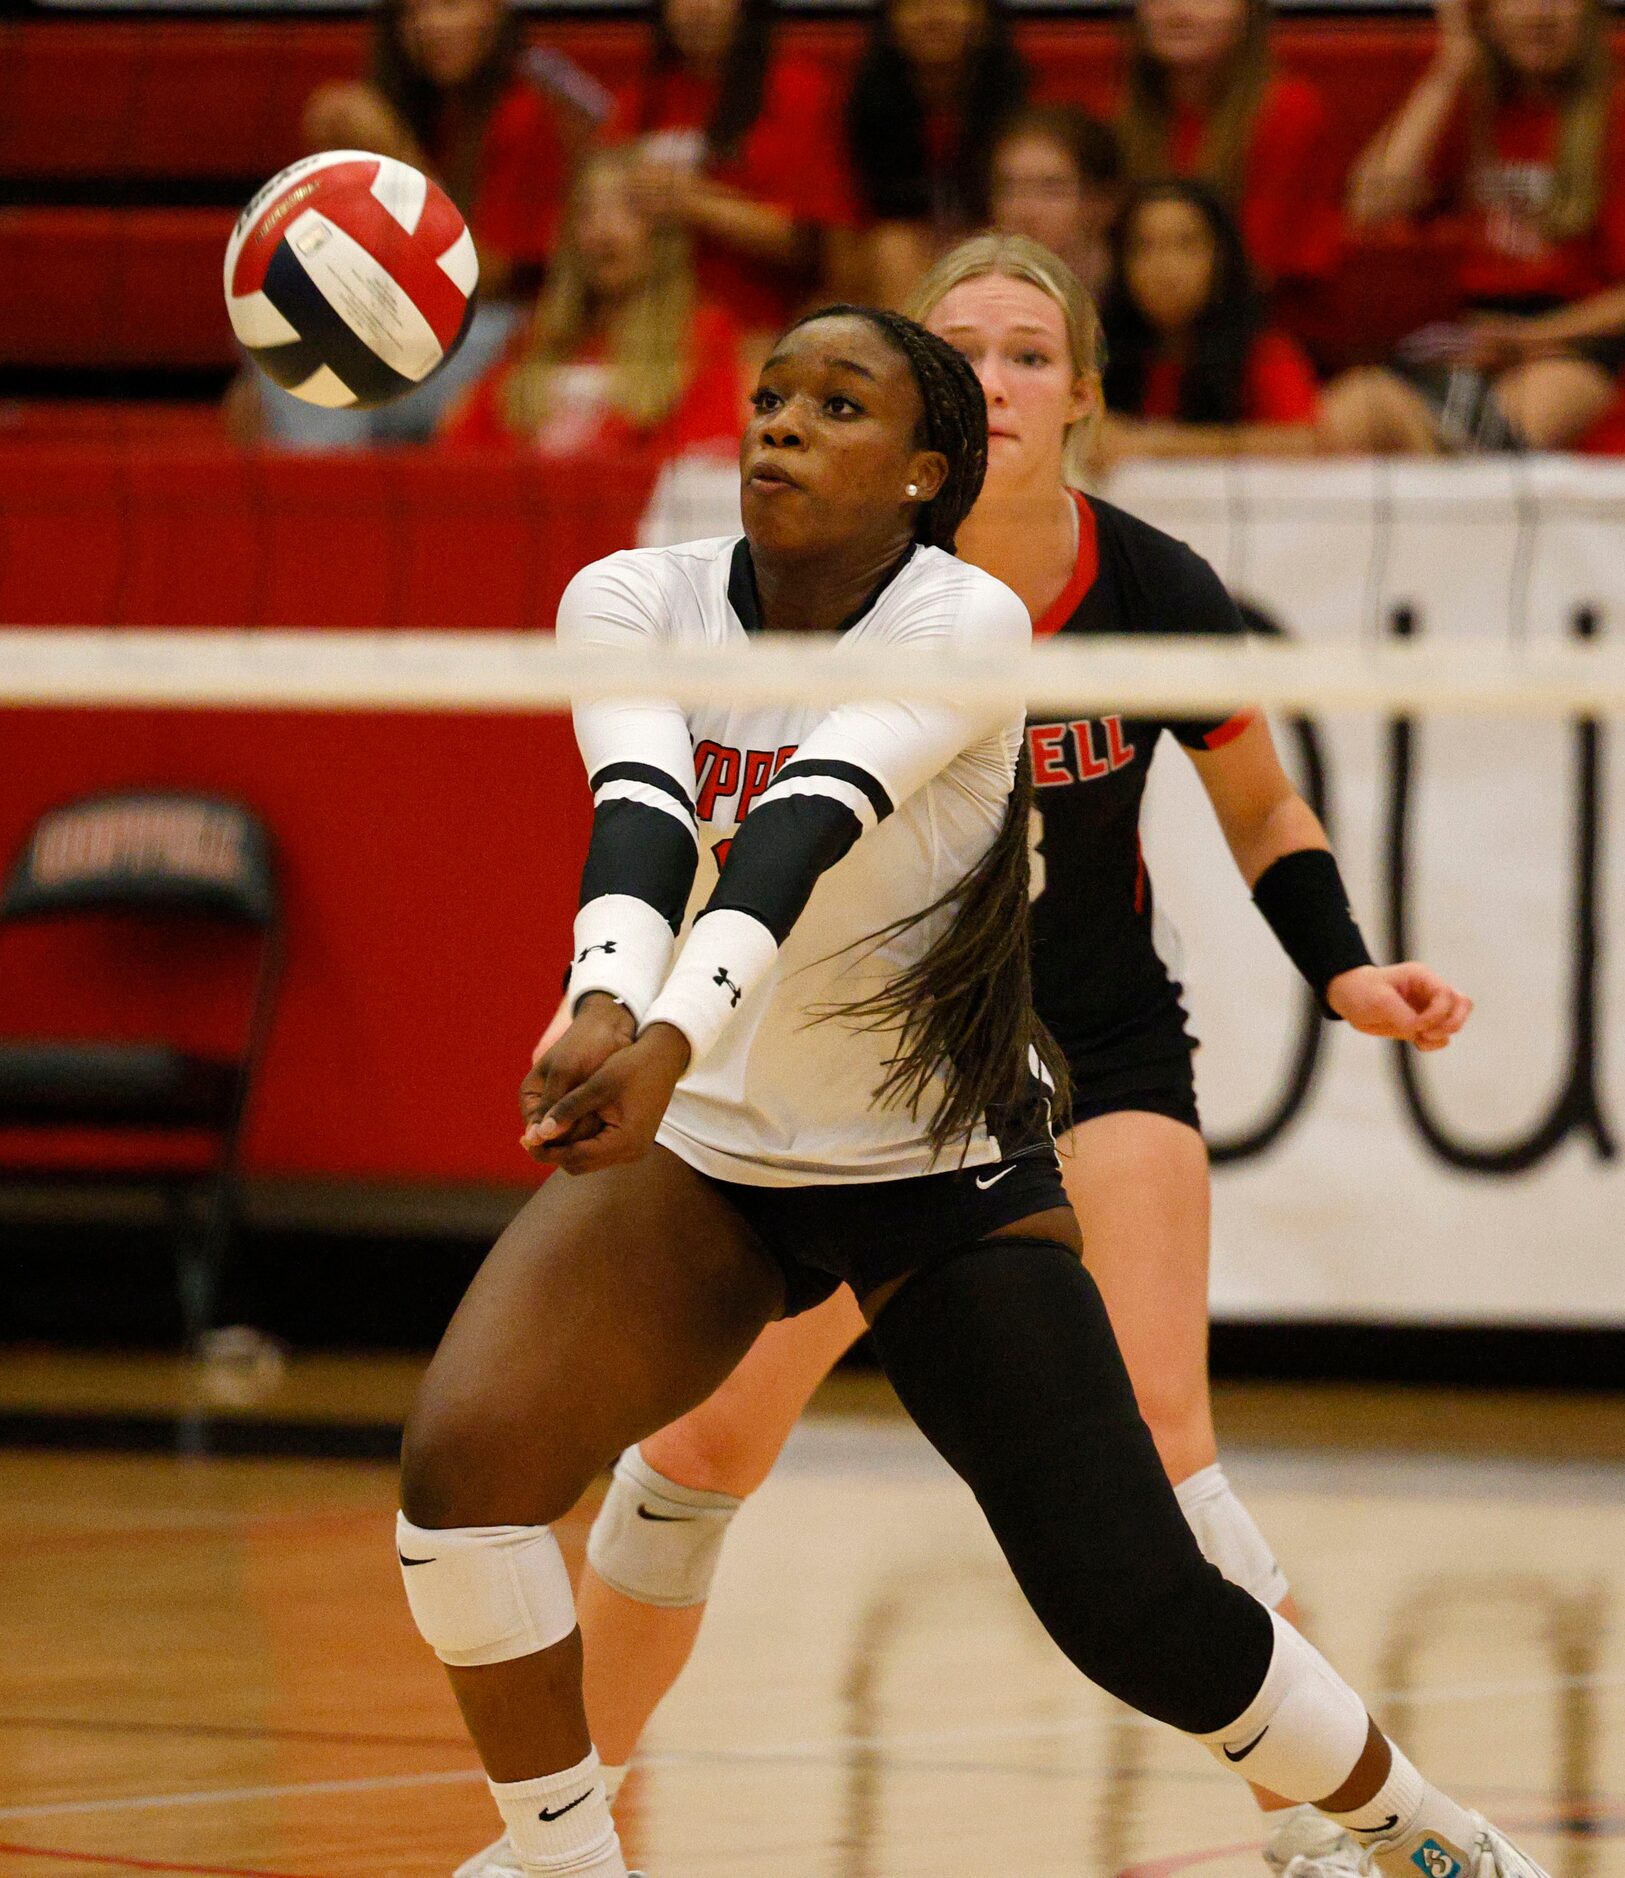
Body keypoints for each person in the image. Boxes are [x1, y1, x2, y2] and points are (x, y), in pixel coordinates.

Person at [404, 296, 1543, 1878]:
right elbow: (644, 813)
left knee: (1134, 1606)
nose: (782, 424)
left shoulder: (967, 625)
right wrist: (605, 997)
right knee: (464, 1475)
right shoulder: (635, 591)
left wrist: (664, 1035)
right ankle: (559, 1854)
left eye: (839, 407)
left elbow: (804, 821)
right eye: (773, 395)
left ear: (928, 471)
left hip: (938, 1160)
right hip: (724, 1153)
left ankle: (1418, 1828)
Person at [238, 0, 607, 448]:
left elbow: (486, 278)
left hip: (517, 336)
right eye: (414, 12)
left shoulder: (527, 108)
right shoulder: (420, 102)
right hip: (417, 326)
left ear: (499, 12)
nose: (433, 24)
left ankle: (332, 504)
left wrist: (395, 151)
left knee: (306, 358)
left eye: (452, 6)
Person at [1324, 0, 1625, 454]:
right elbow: (1370, 205)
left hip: (1575, 341)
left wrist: (1528, 340)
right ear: (1485, 14)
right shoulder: (1472, 108)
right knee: (1349, 410)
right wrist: (1450, 68)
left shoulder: (1615, 112)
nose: (1539, 14)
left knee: (1493, 436)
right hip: (1473, 332)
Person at [438, 148, 744, 462]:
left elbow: (706, 457)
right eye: (587, 212)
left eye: (631, 210)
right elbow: (464, 449)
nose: (603, 230)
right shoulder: (537, 335)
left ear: (666, 233)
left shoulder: (702, 335)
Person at [606, 0, 859, 343]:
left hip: (764, 329)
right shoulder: (639, 98)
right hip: (643, 330)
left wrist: (695, 203)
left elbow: (823, 250)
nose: (698, 9)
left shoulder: (798, 89)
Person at [1117, 0, 1339, 290]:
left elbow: (1259, 263)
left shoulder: (1288, 111)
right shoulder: (1120, 116)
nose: (1179, 12)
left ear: (1249, 11)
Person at [1099, 178, 1322, 463]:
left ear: (1222, 258)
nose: (1165, 267)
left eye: (1186, 245)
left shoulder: (1264, 351)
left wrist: (1156, 445)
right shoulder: (1105, 352)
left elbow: (1303, 442)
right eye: (1143, 247)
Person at [846, 0, 1030, 307]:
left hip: (1000, 256)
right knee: (894, 246)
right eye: (914, 4)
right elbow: (842, 251)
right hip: (886, 280)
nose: (934, 15)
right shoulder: (857, 109)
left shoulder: (1021, 108)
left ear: (985, 16)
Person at [988, 104, 1123, 299]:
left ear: (1101, 203)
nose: (1025, 210)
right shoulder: (975, 297)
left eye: (1051, 189)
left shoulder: (1140, 305)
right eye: (1010, 188)